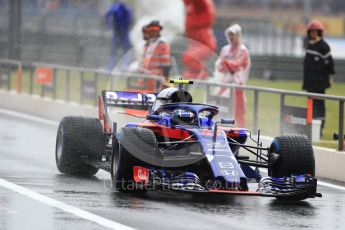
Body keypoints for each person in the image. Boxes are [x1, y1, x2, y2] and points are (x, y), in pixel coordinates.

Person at [302, 19, 335, 136]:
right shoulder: (310, 45)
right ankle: (311, 127)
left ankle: (320, 128)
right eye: (311, 32)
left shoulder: (324, 46)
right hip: (310, 83)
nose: (313, 34)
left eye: (315, 32)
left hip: (319, 84)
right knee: (311, 105)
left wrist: (328, 77)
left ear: (320, 32)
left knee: (319, 105)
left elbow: (330, 65)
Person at [215, 24, 251, 127]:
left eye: (233, 35)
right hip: (224, 85)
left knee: (239, 112)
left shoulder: (243, 50)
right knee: (220, 108)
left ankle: (241, 132)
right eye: (229, 35)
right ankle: (220, 129)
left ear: (238, 35)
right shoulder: (225, 49)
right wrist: (227, 64)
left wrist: (225, 62)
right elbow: (218, 66)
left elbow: (237, 64)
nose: (230, 37)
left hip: (237, 86)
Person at [182, 0, 217, 80]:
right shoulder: (192, 6)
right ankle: (196, 74)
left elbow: (201, 3)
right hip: (195, 43)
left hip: (205, 43)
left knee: (189, 57)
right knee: (188, 58)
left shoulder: (201, 6)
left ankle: (201, 76)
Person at [105, 0, 132, 71]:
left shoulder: (119, 7)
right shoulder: (121, 7)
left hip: (121, 33)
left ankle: (123, 66)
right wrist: (108, 26)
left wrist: (108, 26)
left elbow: (107, 15)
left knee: (122, 50)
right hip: (120, 33)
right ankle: (113, 66)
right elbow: (108, 15)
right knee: (118, 50)